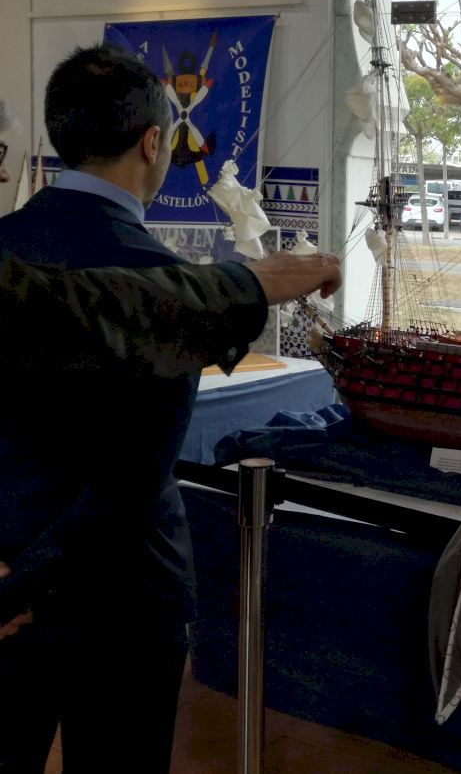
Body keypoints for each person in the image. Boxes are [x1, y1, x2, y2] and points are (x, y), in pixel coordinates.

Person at [0, 46, 337, 773]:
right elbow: (132, 481)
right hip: (123, 595)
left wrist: (13, 582)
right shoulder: (165, 282)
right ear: (153, 142)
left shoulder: (8, 252)